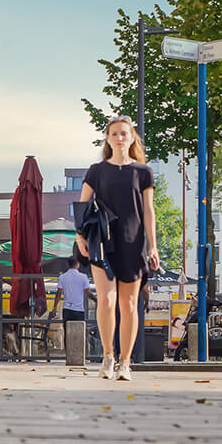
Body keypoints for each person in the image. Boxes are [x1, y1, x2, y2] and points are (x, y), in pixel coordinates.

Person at [77, 115, 161, 382]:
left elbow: (148, 210)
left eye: (124, 133)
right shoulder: (96, 171)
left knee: (128, 304)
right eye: (114, 133)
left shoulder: (143, 172)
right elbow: (83, 205)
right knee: (106, 299)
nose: (119, 138)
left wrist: (153, 245)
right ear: (108, 138)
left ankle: (126, 361)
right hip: (101, 242)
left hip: (133, 242)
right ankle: (108, 356)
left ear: (132, 137)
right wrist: (80, 235)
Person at [57, 254, 93, 344]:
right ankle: (79, 355)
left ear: (68, 265)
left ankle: (68, 355)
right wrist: (97, 300)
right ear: (77, 264)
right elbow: (88, 293)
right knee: (80, 334)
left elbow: (58, 294)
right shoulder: (83, 277)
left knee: (67, 334)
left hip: (67, 309)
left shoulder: (62, 277)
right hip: (79, 310)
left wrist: (54, 308)